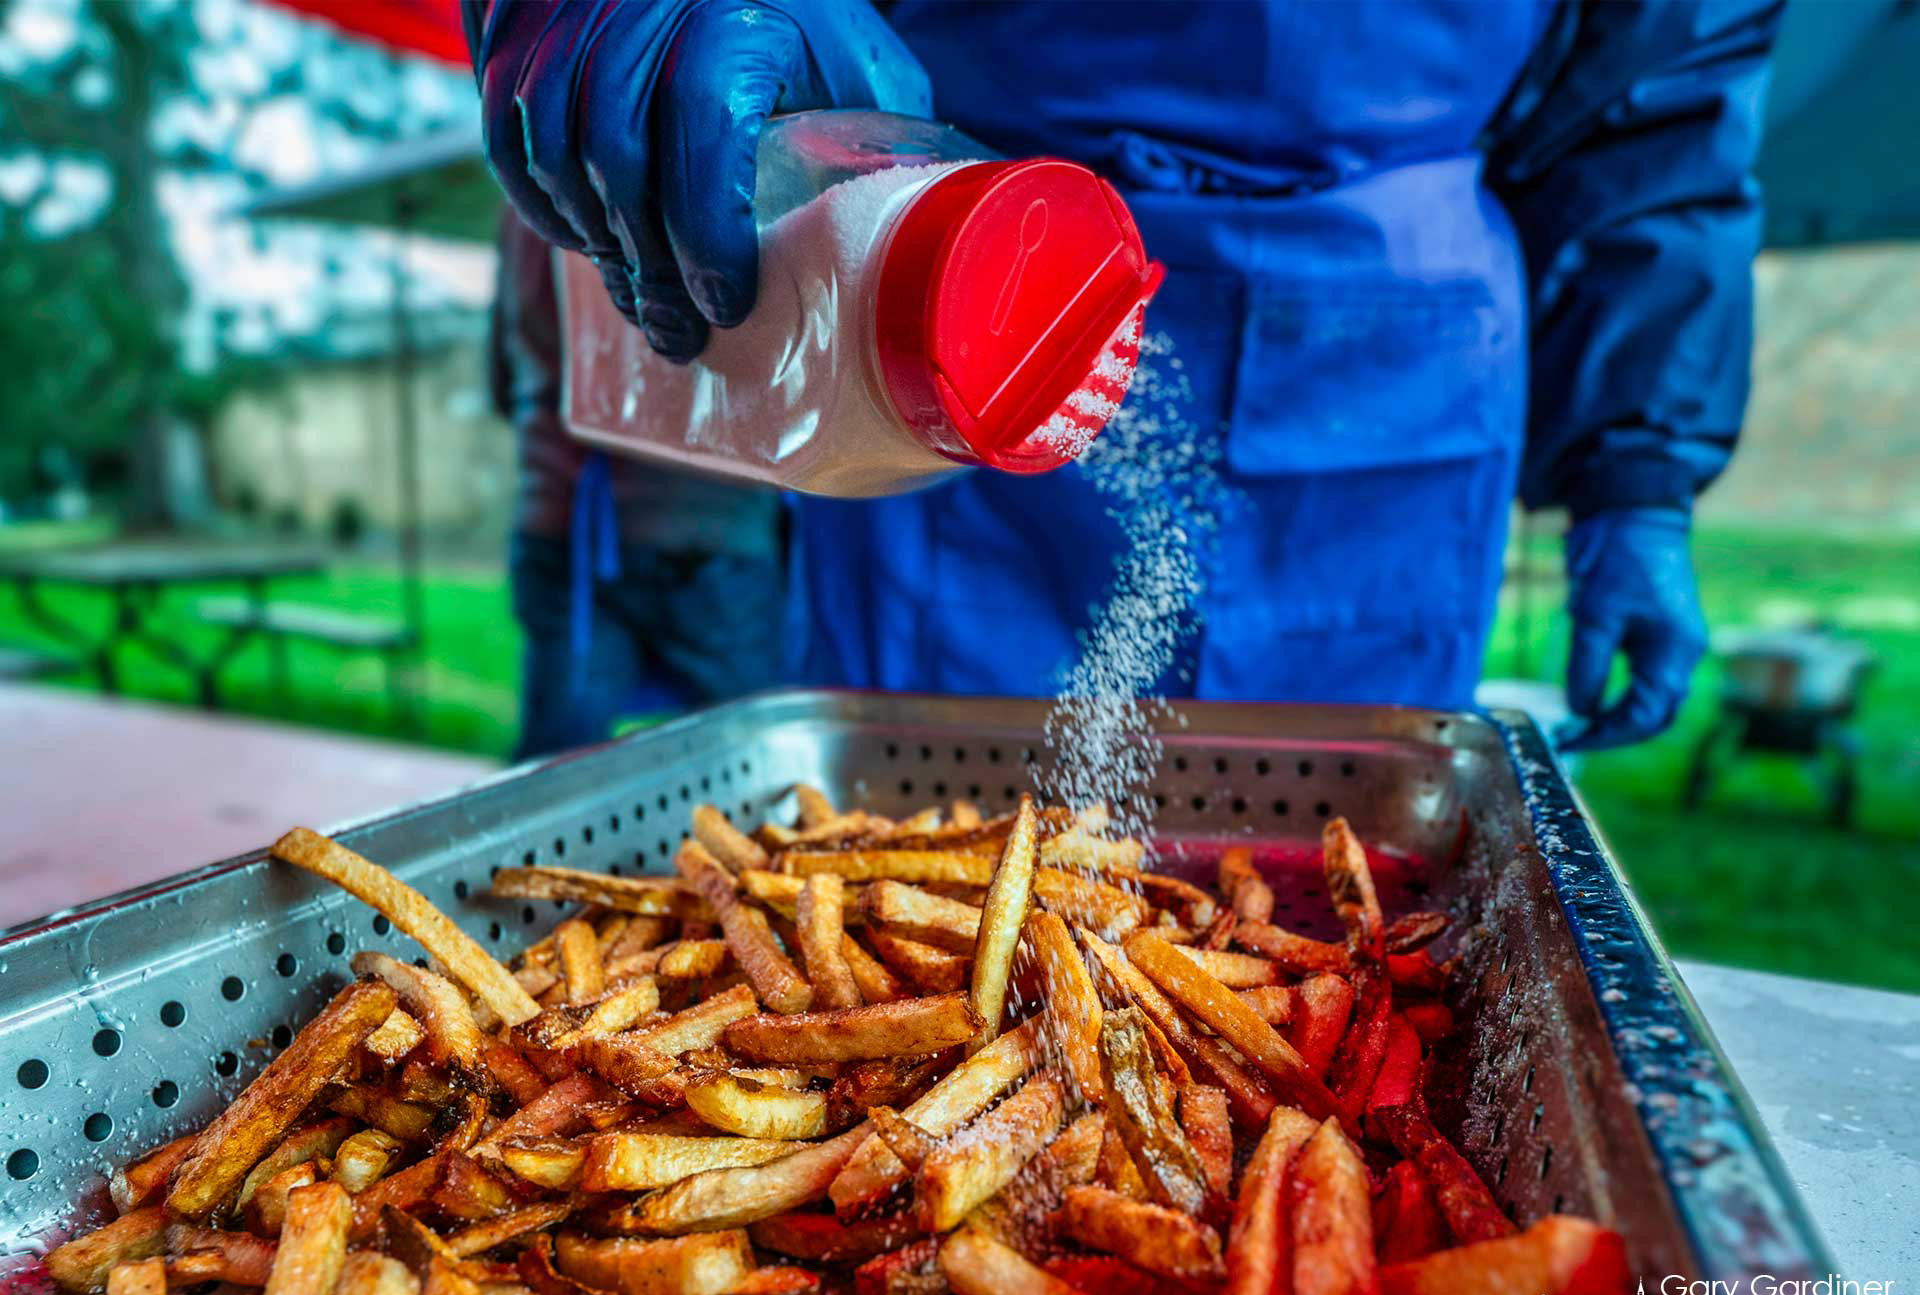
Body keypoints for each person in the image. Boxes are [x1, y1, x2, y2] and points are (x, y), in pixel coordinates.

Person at [467, 0, 1781, 750]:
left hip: (1397, 338)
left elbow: (1667, 85)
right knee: (923, 862)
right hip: (944, 254)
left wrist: (1640, 472)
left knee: (1341, 885)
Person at [489, 207, 785, 760]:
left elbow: (502, 385)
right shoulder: (735, 160)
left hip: (561, 523)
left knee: (555, 773)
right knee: (745, 765)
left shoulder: (521, 197)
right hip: (709, 529)